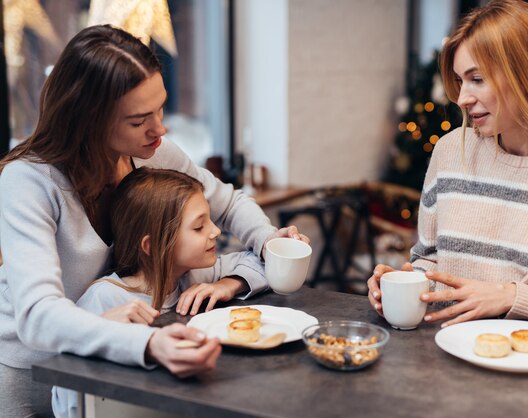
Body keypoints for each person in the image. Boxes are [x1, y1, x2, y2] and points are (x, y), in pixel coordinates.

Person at [0, 25, 308, 417]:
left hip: (109, 358)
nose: (159, 128)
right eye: (138, 119)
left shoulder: (152, 152)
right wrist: (147, 345)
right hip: (30, 371)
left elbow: (228, 204)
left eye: (161, 108)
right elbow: (37, 315)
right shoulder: (28, 181)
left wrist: (268, 243)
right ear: (89, 120)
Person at [368, 0, 528, 331]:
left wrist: (512, 298)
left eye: (477, 79)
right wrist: (400, 285)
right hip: (440, 368)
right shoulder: (450, 153)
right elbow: (428, 262)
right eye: (460, 81)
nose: (461, 98)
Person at [52, 167, 268, 418]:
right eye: (199, 227)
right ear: (152, 246)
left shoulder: (195, 276)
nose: (215, 231)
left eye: (210, 220)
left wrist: (228, 284)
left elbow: (263, 260)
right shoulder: (105, 299)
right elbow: (67, 397)